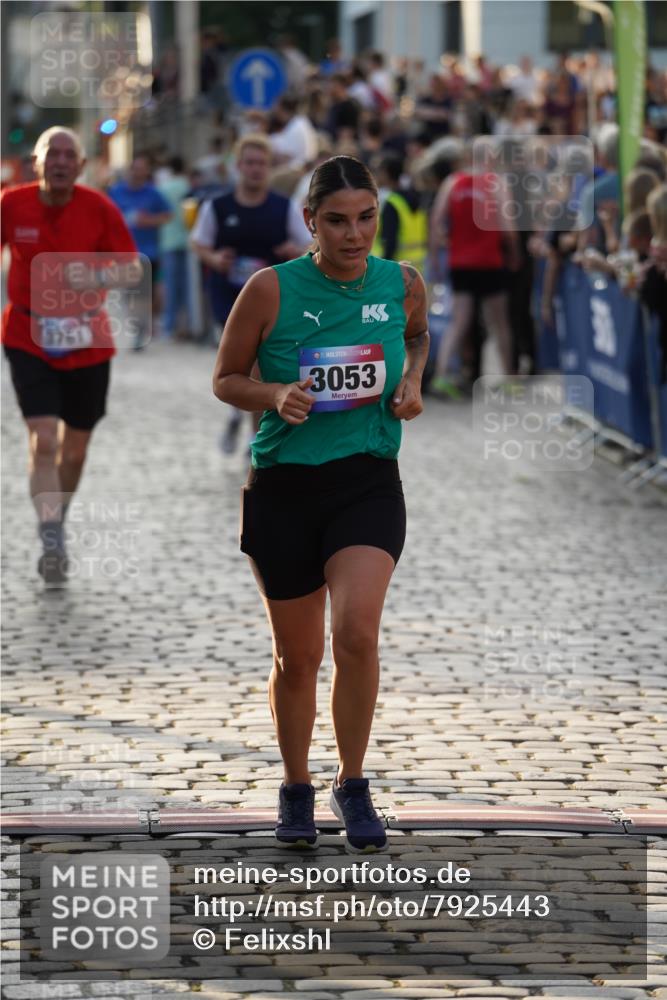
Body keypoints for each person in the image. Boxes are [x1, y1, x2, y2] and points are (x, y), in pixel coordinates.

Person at [211, 155, 428, 852]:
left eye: (366, 218)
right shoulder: (270, 289)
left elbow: (417, 336)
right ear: (310, 221)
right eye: (336, 220)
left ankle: (354, 781)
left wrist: (413, 382)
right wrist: (274, 394)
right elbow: (225, 378)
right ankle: (296, 785)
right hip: (283, 487)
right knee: (296, 658)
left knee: (357, 632)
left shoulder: (401, 283)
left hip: (367, 479)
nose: (354, 234)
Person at [1, 127, 138, 585]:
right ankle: (51, 534)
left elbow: (131, 266)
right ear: (36, 163)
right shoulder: (11, 204)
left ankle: (57, 514)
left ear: (81, 167)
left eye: (68, 155)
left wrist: (93, 273)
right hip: (27, 332)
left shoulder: (99, 207)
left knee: (75, 450)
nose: (59, 161)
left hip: (87, 339)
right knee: (43, 439)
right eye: (51, 154)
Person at [191, 134, 310, 453]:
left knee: (258, 366)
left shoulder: (283, 208)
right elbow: (199, 242)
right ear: (238, 166)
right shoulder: (217, 206)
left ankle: (255, 435)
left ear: (269, 168)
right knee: (240, 367)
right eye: (250, 163)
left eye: (262, 164)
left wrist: (293, 251)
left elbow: (309, 247)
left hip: (272, 303)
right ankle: (240, 416)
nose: (256, 170)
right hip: (227, 297)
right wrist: (214, 259)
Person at [108, 154, 171, 347]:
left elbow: (168, 216)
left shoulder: (154, 193)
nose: (138, 172)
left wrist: (148, 221)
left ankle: (143, 325)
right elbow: (106, 216)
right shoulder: (116, 191)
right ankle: (139, 328)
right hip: (124, 252)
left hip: (150, 252)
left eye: (142, 168)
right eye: (135, 168)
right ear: (130, 170)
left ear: (147, 171)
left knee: (147, 294)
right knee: (132, 292)